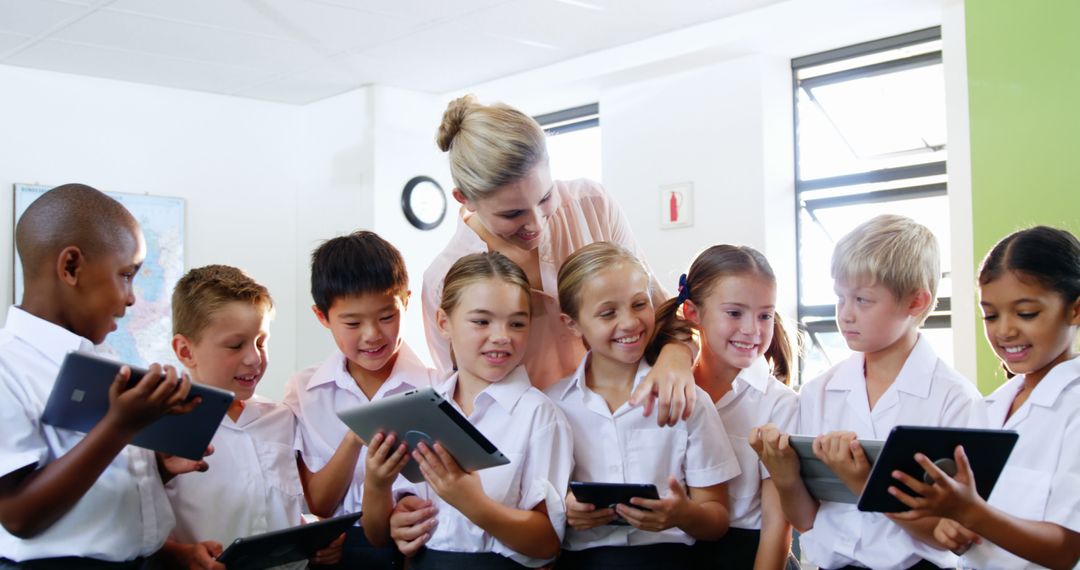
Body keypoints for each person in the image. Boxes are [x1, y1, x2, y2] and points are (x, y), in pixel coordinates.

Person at [422, 94, 694, 424]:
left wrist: (677, 355)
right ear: (465, 200)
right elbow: (462, 391)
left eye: (545, 197)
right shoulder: (445, 277)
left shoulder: (592, 204)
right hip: (528, 442)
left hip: (628, 417)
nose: (536, 223)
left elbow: (659, 309)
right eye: (512, 213)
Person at [752, 214, 985, 570]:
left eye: (862, 300)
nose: (845, 314)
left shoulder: (955, 400)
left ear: (916, 303)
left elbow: (953, 534)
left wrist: (867, 485)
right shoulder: (820, 392)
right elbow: (807, 520)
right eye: (840, 297)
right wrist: (784, 476)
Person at [0, 183, 202, 568]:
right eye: (126, 275)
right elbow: (17, 515)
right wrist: (119, 427)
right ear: (71, 267)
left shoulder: (103, 360)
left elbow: (88, 488)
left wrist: (157, 467)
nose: (131, 297)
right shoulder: (7, 365)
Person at [886, 226, 1080, 570]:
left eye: (1026, 313)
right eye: (990, 315)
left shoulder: (1073, 407)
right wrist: (953, 527)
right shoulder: (988, 408)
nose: (1004, 330)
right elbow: (975, 528)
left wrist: (971, 512)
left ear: (1075, 311)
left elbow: (1066, 550)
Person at [547, 242, 739, 568]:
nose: (630, 323)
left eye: (640, 304)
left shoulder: (688, 399)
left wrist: (683, 514)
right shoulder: (553, 406)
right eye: (608, 313)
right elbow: (537, 509)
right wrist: (565, 508)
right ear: (572, 324)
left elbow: (717, 519)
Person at [378, 252, 573, 569]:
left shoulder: (539, 415)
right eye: (481, 321)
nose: (501, 336)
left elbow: (547, 542)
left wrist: (473, 503)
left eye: (517, 323)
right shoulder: (420, 406)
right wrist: (403, 520)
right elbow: (405, 506)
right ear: (444, 322)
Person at [163, 265, 343, 568]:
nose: (254, 358)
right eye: (235, 345)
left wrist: (315, 537)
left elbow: (288, 506)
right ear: (185, 351)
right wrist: (180, 555)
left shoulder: (282, 419)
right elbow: (139, 524)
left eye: (261, 341)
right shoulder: (163, 425)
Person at [283, 231, 440, 568]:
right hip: (338, 551)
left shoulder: (437, 386)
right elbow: (319, 503)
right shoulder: (306, 391)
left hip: (421, 548)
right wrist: (356, 436)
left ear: (406, 302)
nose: (372, 335)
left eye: (386, 317)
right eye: (352, 323)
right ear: (322, 317)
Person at [653, 245, 799, 569]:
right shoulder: (670, 387)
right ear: (692, 312)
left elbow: (777, 526)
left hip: (750, 554)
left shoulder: (780, 404)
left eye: (765, 315)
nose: (752, 330)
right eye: (735, 313)